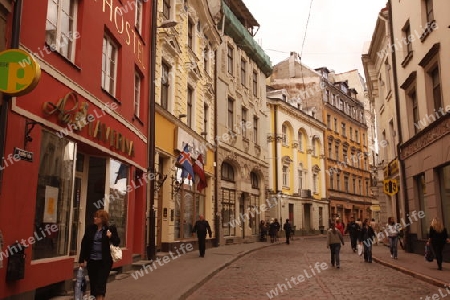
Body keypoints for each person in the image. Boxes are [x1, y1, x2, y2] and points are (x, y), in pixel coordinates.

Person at [79, 210, 120, 300]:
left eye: (97, 217)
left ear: (103, 219)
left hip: (104, 262)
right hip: (92, 261)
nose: (95, 218)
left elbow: (117, 242)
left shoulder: (110, 229)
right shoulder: (90, 228)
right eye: (95, 216)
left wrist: (111, 236)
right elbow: (84, 244)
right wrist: (81, 259)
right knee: (93, 283)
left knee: (101, 283)